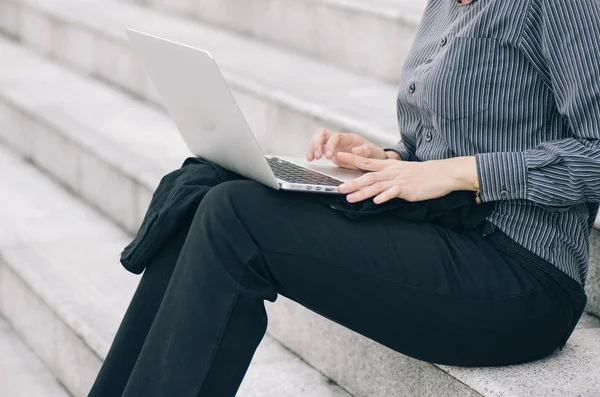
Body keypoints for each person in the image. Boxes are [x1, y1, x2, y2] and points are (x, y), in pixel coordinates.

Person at [88, 0, 599, 396]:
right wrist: (387, 159)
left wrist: (466, 173)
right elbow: (447, 146)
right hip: (443, 227)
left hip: (521, 276)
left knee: (234, 216)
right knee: (208, 186)